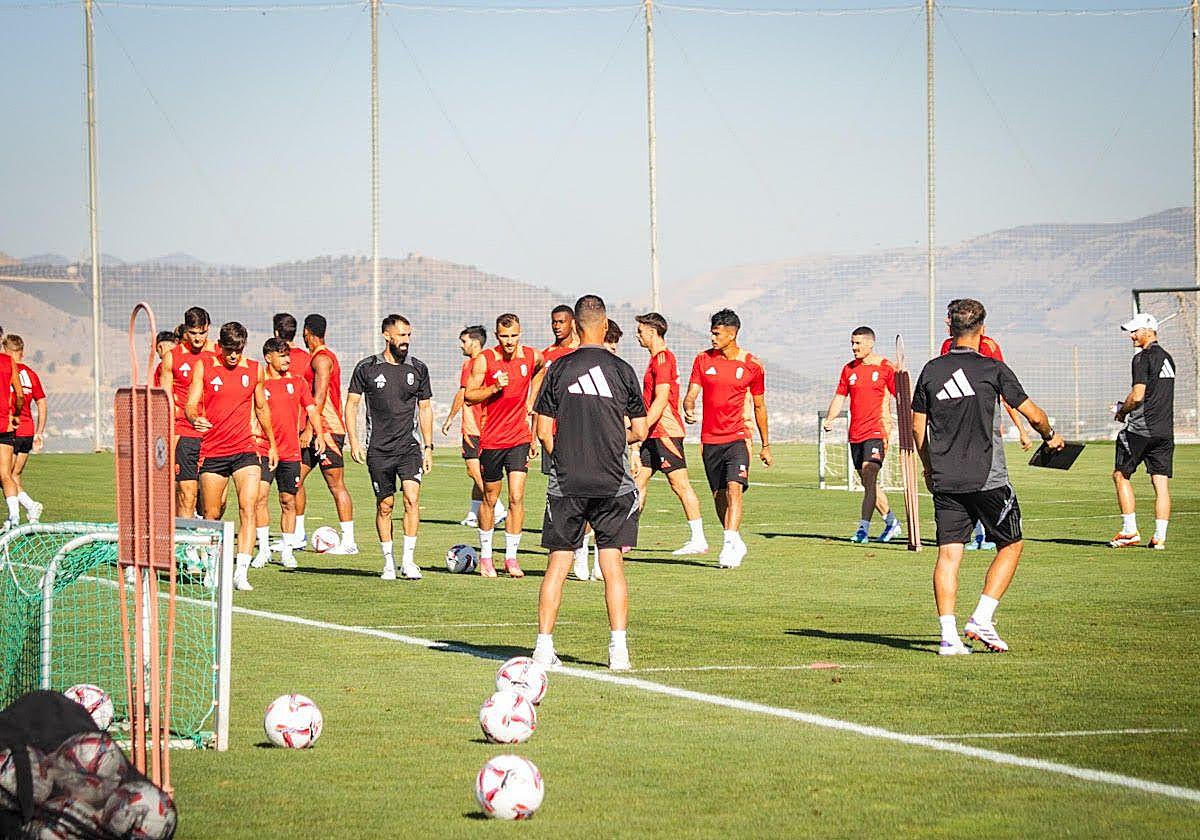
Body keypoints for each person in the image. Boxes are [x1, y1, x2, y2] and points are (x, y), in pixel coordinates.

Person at [912, 298, 1063, 655]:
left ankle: (948, 637)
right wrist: (1050, 436)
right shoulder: (993, 369)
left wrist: (930, 467)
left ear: (949, 329)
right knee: (1011, 544)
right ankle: (981, 617)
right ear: (983, 330)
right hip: (988, 479)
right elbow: (1034, 415)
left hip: (945, 480)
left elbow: (918, 429)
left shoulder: (931, 371)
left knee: (948, 555)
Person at [532, 294, 648, 671]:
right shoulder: (623, 370)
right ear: (605, 323)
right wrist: (615, 437)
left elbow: (543, 429)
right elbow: (642, 428)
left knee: (557, 566)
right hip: (612, 482)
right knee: (612, 564)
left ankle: (543, 647)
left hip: (566, 482)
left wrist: (563, 451)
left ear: (577, 326)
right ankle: (619, 650)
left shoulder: (559, 368)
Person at [185, 322, 278, 592]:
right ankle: (212, 567)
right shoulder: (205, 366)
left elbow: (262, 408)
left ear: (244, 346)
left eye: (238, 349)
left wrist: (271, 443)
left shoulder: (254, 369)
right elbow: (191, 403)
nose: (233, 355)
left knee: (248, 508)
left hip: (245, 450)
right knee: (212, 514)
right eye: (228, 350)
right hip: (213, 451)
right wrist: (194, 418)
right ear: (220, 346)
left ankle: (241, 573)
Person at [346, 315, 434, 581]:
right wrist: (354, 440)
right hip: (379, 449)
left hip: (409, 446)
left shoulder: (418, 368)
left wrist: (428, 447)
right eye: (401, 335)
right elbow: (351, 405)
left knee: (411, 498)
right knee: (385, 505)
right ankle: (388, 562)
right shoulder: (367, 368)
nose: (406, 340)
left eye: (408, 335)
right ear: (387, 335)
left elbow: (425, 408)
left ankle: (408, 561)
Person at [682, 309, 772, 568]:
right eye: (711, 332)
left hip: (738, 437)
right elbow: (691, 393)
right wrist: (688, 406)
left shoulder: (752, 365)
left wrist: (766, 446)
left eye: (717, 333)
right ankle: (734, 539)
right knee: (719, 495)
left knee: (735, 489)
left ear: (732, 334)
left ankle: (729, 544)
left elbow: (759, 407)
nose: (712, 337)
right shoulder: (702, 360)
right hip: (710, 440)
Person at [940, 303, 1033, 550]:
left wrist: (1021, 429)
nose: (946, 323)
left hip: (984, 429)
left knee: (985, 478)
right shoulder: (946, 348)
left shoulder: (989, 347)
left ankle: (986, 533)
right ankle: (976, 533)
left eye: (948, 318)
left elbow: (1007, 392)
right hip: (957, 430)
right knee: (965, 476)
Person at [464, 313, 544, 578]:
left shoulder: (531, 356)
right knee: (490, 497)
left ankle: (511, 558)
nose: (510, 341)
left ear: (520, 333)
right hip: (492, 440)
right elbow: (469, 396)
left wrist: (532, 399)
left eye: (514, 336)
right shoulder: (485, 360)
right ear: (497, 336)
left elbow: (543, 367)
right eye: (504, 336)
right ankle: (486, 557)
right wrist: (493, 388)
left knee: (517, 497)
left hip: (519, 438)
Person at [633, 313, 708, 557]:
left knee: (680, 484)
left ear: (652, 332)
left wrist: (641, 427)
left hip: (665, 431)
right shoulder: (655, 359)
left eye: (641, 331)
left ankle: (698, 539)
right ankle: (625, 535)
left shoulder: (663, 359)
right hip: (652, 433)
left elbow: (662, 398)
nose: (638, 335)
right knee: (637, 483)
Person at [822, 326, 902, 544]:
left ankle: (862, 529)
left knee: (869, 473)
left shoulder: (886, 368)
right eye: (852, 343)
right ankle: (891, 521)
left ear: (870, 343)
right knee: (868, 482)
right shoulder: (849, 369)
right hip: (855, 434)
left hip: (877, 430)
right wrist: (830, 419)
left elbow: (902, 397)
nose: (854, 347)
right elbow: (840, 396)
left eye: (857, 343)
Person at [252, 338, 324, 570]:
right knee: (259, 499)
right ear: (268, 357)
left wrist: (319, 435)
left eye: (287, 355)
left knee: (288, 501)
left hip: (291, 452)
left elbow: (312, 409)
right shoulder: (259, 382)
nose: (287, 359)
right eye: (282, 355)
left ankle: (287, 550)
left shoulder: (298, 382)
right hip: (263, 449)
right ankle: (263, 550)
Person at [1110, 312, 1175, 550]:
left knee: (1120, 475)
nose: (1132, 335)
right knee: (1161, 485)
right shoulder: (1168, 358)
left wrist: (1122, 411)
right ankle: (1159, 538)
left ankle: (1129, 531)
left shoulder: (1142, 358)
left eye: (1135, 331)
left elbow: (1138, 396)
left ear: (1148, 331)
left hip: (1141, 429)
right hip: (1165, 431)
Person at [292, 313, 356, 554]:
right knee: (293, 481)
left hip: (327, 432)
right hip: (316, 430)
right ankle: (297, 536)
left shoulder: (322, 359)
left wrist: (310, 429)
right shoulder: (317, 357)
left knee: (336, 485)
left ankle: (349, 542)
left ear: (307, 333)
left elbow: (318, 397)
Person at [441, 326, 506, 529]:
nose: (461, 345)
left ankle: (498, 508)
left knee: (473, 470)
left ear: (475, 343)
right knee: (478, 471)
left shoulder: (471, 363)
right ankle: (473, 513)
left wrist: (450, 417)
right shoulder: (492, 361)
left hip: (473, 426)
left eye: (464, 341)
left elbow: (463, 393)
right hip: (488, 425)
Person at [160, 307, 215, 518]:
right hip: (183, 430)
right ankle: (187, 545)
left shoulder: (219, 353)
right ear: (186, 330)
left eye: (202, 333)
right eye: (193, 333)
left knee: (215, 502)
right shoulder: (171, 358)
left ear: (208, 328)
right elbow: (164, 402)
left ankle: (207, 537)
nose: (198, 338)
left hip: (215, 433)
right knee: (186, 493)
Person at [2, 335, 47, 524]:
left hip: (11, 428)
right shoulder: (31, 374)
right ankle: (29, 509)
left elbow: (15, 396)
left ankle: (25, 509)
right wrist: (39, 431)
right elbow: (42, 403)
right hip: (28, 431)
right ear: (22, 352)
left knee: (5, 476)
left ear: (6, 350)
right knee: (13, 475)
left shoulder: (6, 368)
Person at [0, 326, 27, 531]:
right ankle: (15, 517)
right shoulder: (9, 362)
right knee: (5, 474)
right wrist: (16, 414)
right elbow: (19, 395)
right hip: (5, 425)